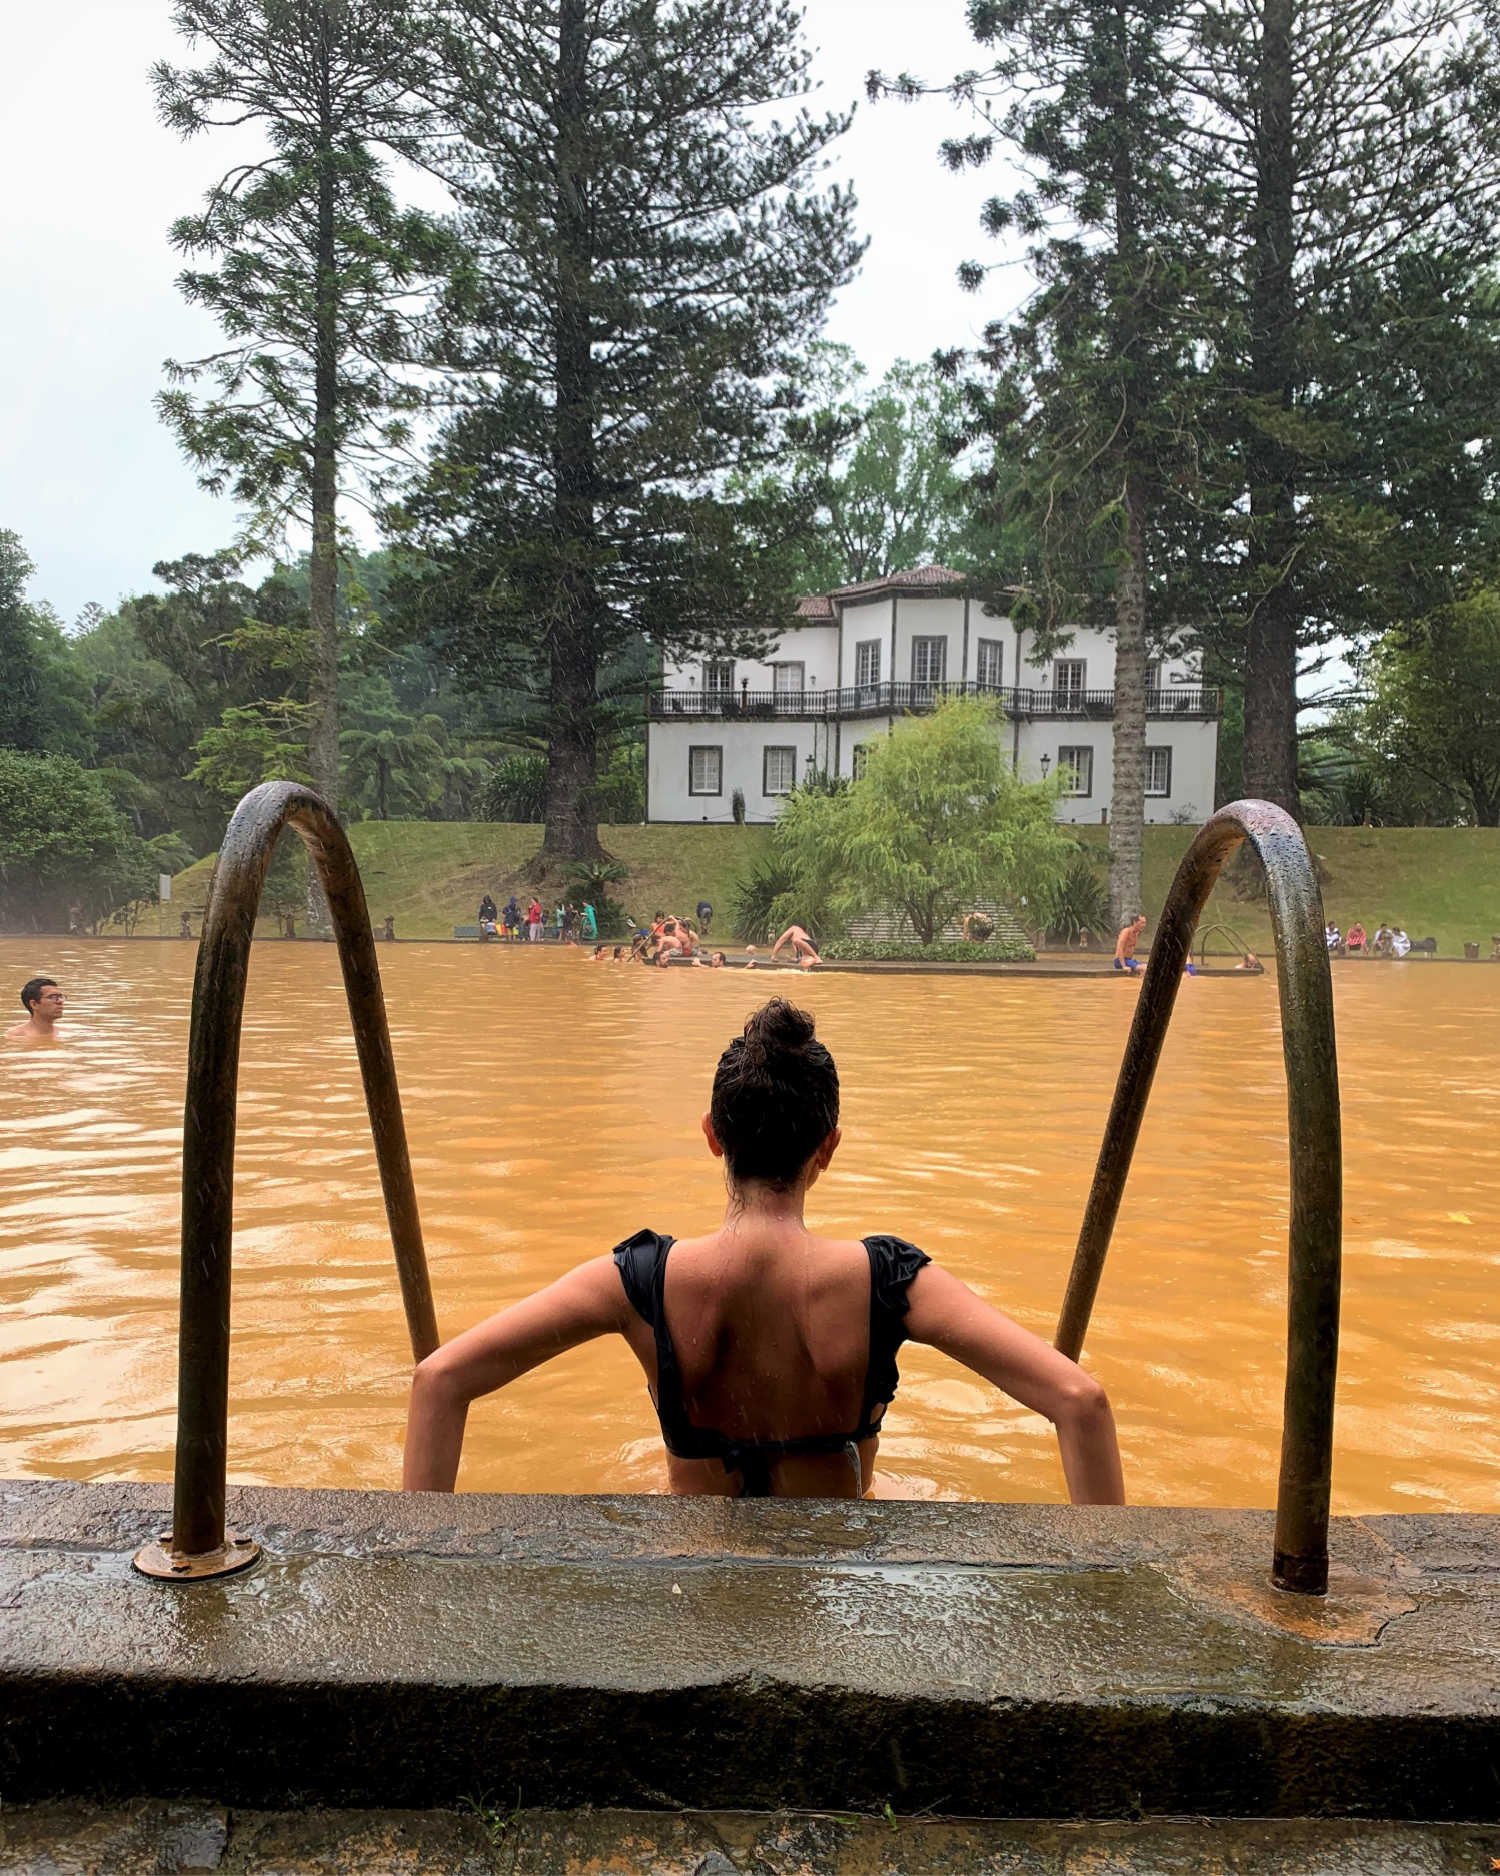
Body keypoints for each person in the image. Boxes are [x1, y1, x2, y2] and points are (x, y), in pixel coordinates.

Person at [402, 999, 1124, 1505]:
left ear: (714, 1136)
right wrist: (1110, 1616)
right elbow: (1080, 1401)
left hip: (699, 1571)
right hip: (834, 1575)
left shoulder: (641, 1280)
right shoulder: (888, 1280)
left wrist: (415, 1581)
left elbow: (440, 1382)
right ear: (828, 1148)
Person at [7, 977, 64, 1044]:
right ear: (34, 1004)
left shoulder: (65, 1033)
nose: (60, 1001)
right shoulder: (14, 1036)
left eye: (60, 997)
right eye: (53, 997)